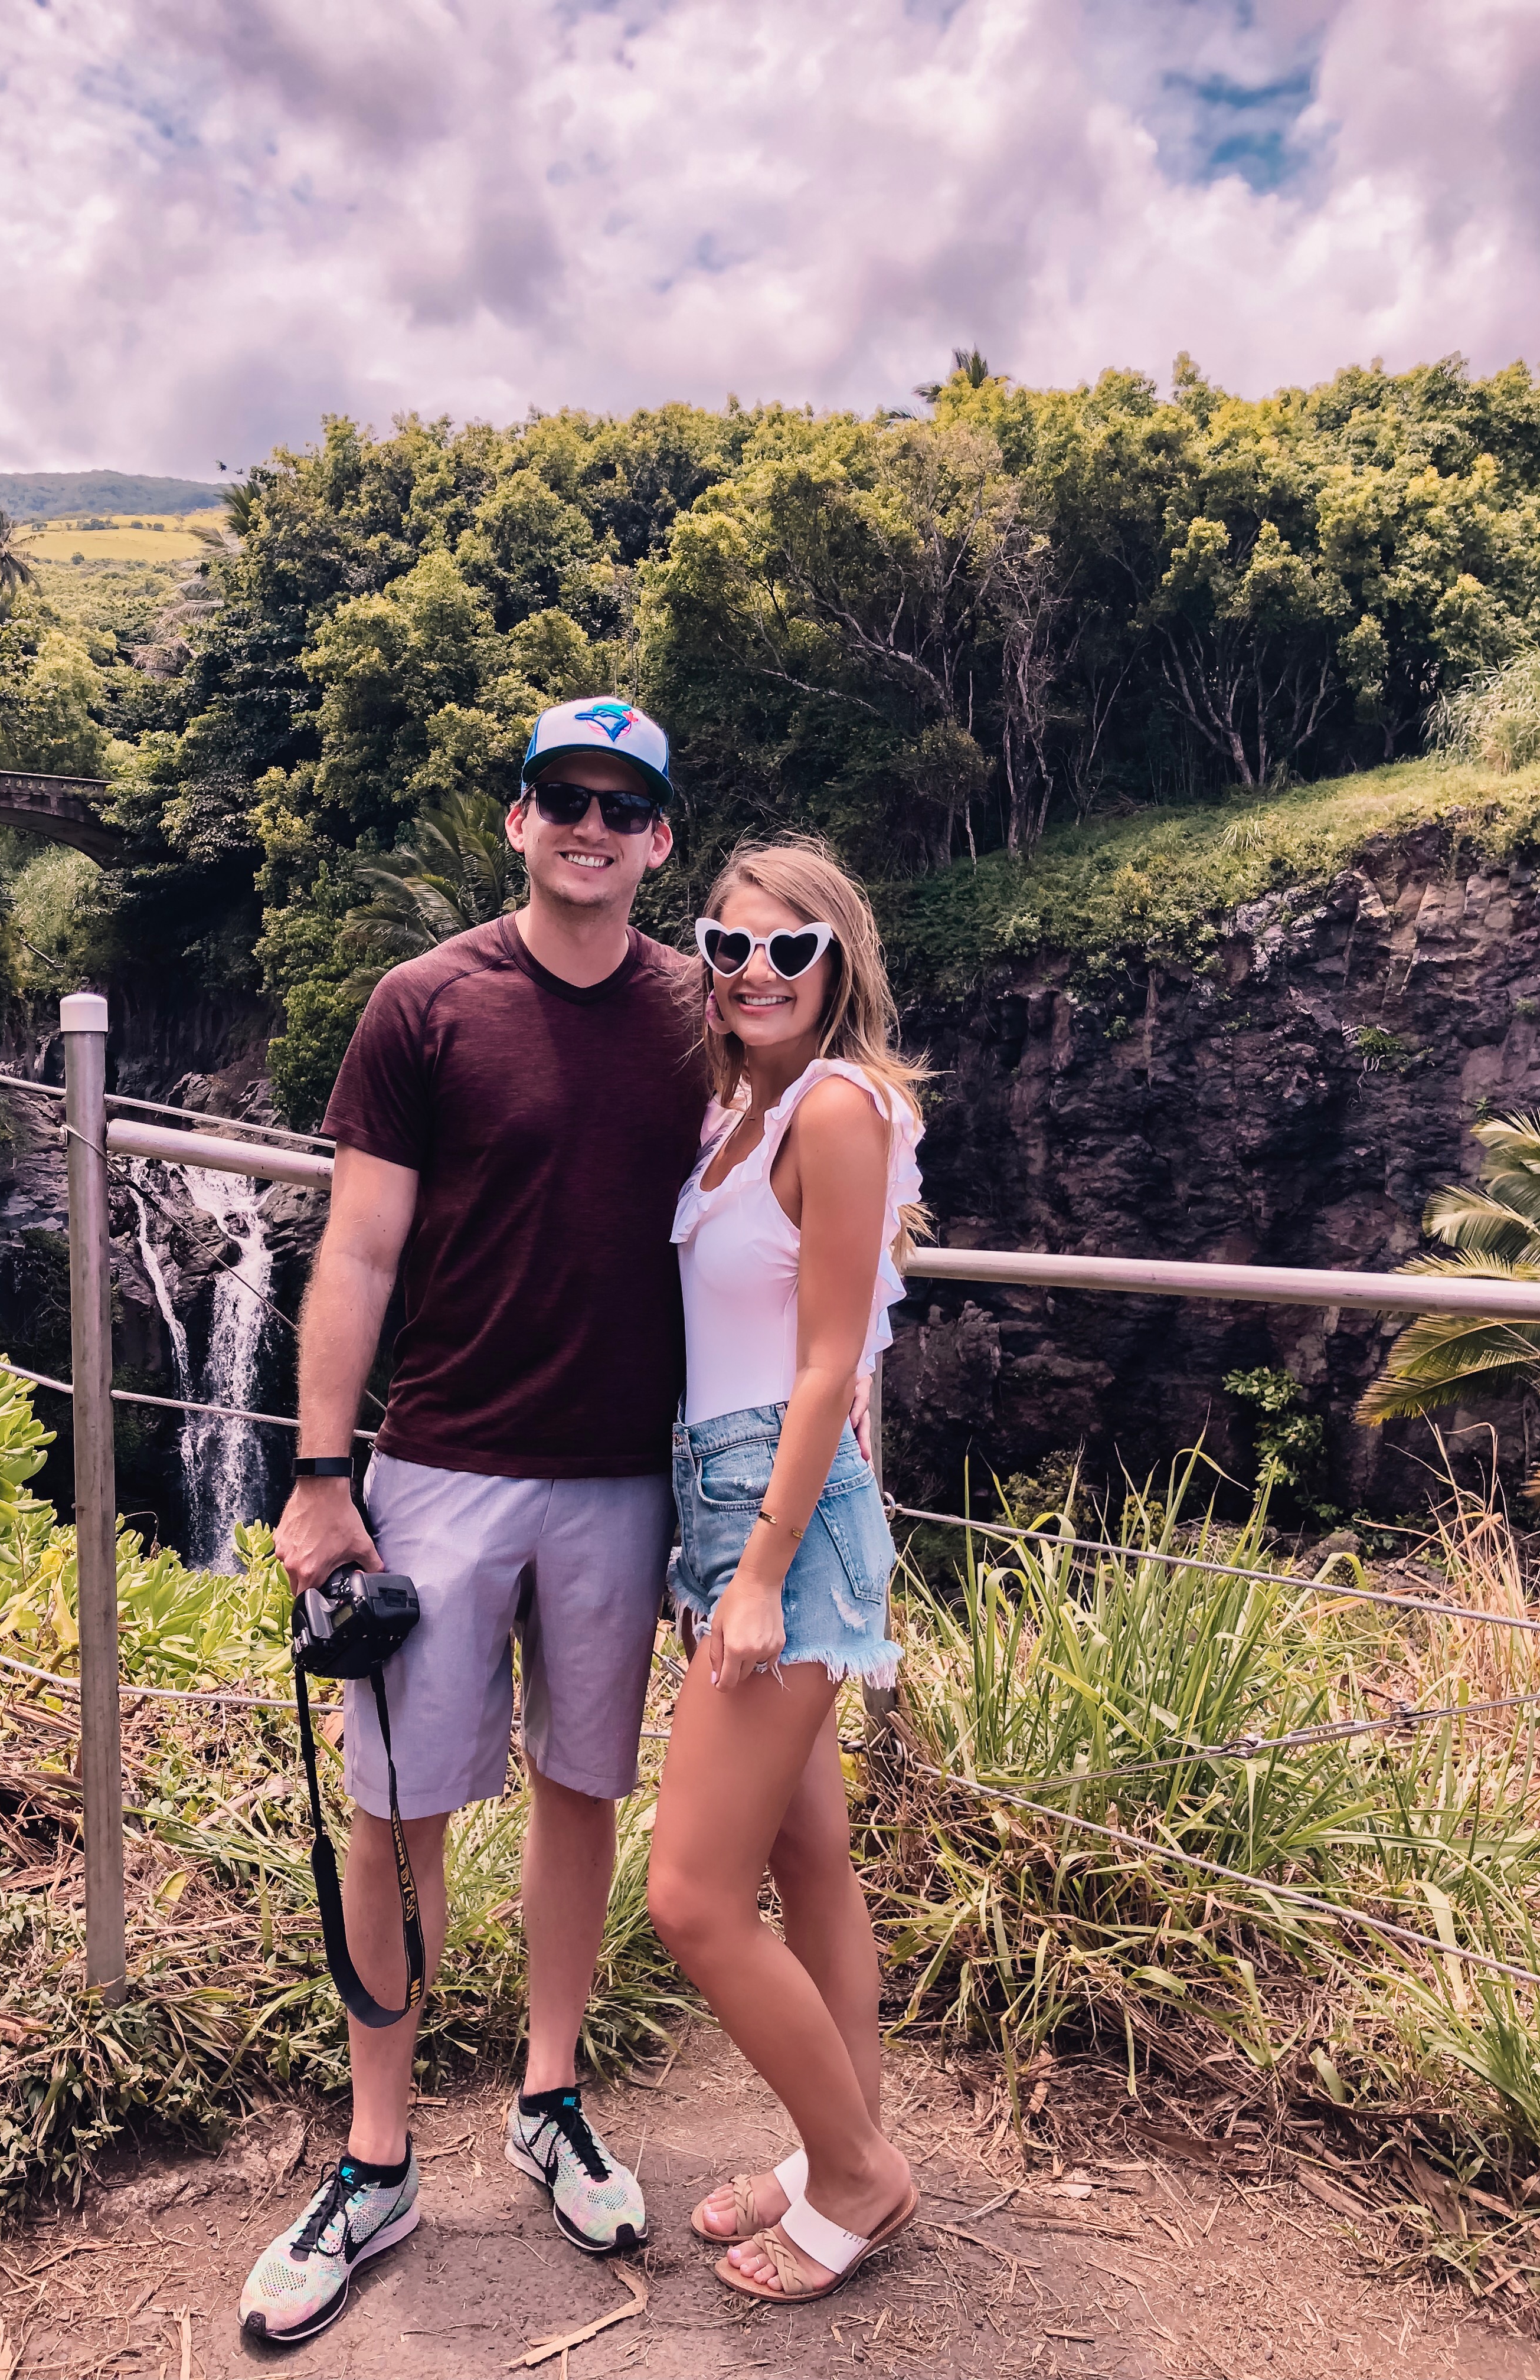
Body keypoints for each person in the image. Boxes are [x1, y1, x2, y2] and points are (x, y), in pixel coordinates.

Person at [237, 697, 708, 2346]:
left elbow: (808, 1181)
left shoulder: (707, 1013)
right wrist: (318, 1471)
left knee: (584, 1789)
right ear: (519, 820)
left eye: (622, 805)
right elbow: (355, 1252)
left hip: (623, 1477)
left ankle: (549, 2096)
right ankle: (378, 2160)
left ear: (660, 838)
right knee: (396, 1810)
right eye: (562, 799)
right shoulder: (424, 1005)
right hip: (438, 1468)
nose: (590, 826)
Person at [646, 835, 926, 2306]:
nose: (754, 969)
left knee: (690, 1895)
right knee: (807, 1860)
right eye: (730, 943)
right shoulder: (731, 1117)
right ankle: (838, 2150)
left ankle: (865, 2175)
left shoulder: (836, 1109)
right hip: (723, 1497)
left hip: (780, 1512)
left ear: (838, 966)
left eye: (789, 947)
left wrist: (755, 1572)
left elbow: (826, 1368)